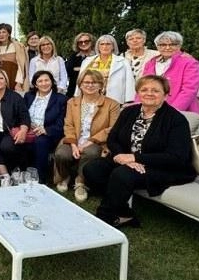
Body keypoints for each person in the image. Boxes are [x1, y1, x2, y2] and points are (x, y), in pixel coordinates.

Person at [83, 75, 196, 228]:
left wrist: (135, 158)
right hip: (129, 161)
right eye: (144, 89)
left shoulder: (176, 120)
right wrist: (120, 156)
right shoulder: (129, 112)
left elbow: (177, 157)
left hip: (164, 167)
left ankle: (104, 217)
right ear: (138, 92)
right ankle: (125, 213)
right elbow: (113, 139)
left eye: (155, 90)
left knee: (122, 174)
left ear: (166, 94)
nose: (149, 93)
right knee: (92, 169)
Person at [54, 70, 120, 201]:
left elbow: (112, 129)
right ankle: (64, 176)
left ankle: (81, 181)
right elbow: (68, 125)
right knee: (62, 153)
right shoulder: (72, 102)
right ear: (80, 84)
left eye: (94, 82)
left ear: (101, 85)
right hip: (75, 139)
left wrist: (88, 142)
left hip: (96, 141)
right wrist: (73, 144)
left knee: (90, 153)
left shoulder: (112, 104)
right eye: (86, 82)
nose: (90, 85)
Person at [0, 68, 31, 187]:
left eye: (1, 78)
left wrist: (23, 130)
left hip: (12, 131)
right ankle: (4, 176)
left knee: (6, 146)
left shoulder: (15, 97)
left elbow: (24, 116)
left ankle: (16, 170)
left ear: (6, 81)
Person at [23, 71, 67, 184]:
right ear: (35, 84)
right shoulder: (28, 96)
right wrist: (26, 126)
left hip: (50, 133)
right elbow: (22, 114)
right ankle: (22, 174)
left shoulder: (61, 99)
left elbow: (61, 123)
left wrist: (45, 130)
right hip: (29, 131)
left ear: (52, 82)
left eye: (47, 80)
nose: (44, 83)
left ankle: (40, 178)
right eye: (40, 81)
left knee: (40, 141)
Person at [140, 31, 199, 112]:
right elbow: (142, 86)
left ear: (179, 46)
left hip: (179, 111)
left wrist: (171, 112)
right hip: (151, 109)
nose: (167, 47)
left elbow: (189, 91)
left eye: (173, 44)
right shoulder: (150, 63)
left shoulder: (189, 62)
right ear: (157, 46)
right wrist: (137, 106)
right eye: (163, 45)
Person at [76, 34, 135, 105]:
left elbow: (129, 82)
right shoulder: (87, 61)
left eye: (108, 44)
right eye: (102, 44)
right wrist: (77, 96)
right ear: (98, 47)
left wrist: (129, 101)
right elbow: (80, 80)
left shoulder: (123, 61)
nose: (105, 47)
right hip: (89, 99)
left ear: (113, 46)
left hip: (114, 100)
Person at [0, 23, 29, 92]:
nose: (1, 34)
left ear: (9, 33)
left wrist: (19, 83)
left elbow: (21, 67)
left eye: (4, 32)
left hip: (12, 79)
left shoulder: (17, 47)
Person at [65, 32, 95, 98]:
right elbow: (69, 71)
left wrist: (78, 69)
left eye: (86, 41)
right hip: (74, 91)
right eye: (80, 42)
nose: (83, 43)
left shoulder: (97, 56)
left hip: (93, 91)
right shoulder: (74, 56)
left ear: (91, 42)